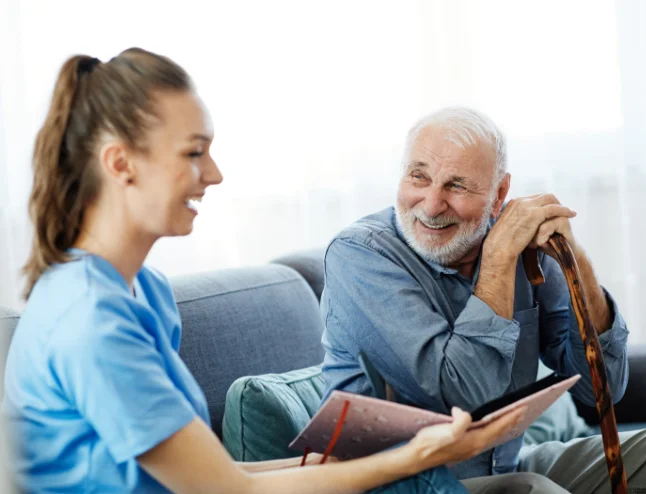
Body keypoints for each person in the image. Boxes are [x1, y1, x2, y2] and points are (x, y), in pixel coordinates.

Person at [1, 50, 528, 494]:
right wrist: (421, 453)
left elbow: (212, 476)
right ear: (120, 163)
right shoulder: (90, 321)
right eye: (194, 153)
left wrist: (317, 468)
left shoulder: (145, 293)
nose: (214, 174)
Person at [320, 107, 646, 493]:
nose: (431, 203)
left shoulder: (518, 245)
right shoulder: (360, 255)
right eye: (418, 177)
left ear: (499, 195)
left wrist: (573, 255)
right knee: (532, 490)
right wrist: (497, 259)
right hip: (408, 483)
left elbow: (603, 388)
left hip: (506, 469)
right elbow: (464, 396)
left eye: (456, 185)